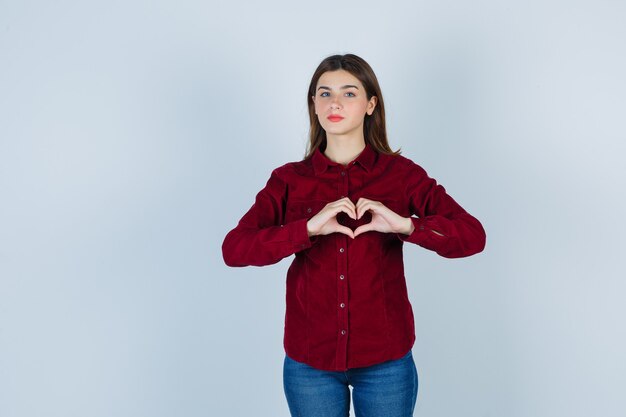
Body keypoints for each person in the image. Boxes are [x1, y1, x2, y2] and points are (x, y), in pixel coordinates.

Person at [222, 53, 486, 417]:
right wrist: (308, 228)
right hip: (310, 363)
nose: (335, 103)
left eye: (349, 93)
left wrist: (407, 225)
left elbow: (472, 236)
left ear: (370, 104)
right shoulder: (288, 180)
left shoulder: (402, 176)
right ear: (313, 105)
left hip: (386, 363)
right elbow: (234, 249)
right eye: (324, 93)